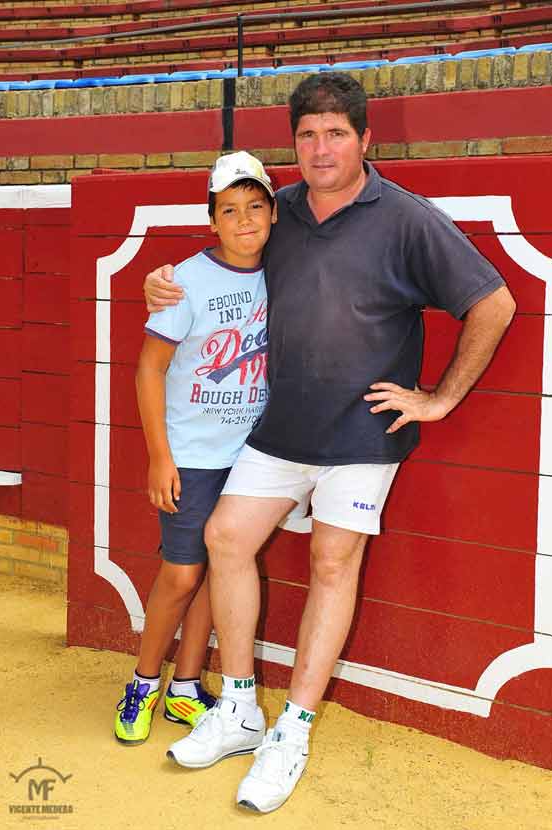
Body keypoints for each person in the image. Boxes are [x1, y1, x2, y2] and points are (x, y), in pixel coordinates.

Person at [144, 73, 516, 810]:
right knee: (225, 539)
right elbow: (222, 257)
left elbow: (494, 303)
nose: (321, 148)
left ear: (365, 140)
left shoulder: (405, 218)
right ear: (294, 145)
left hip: (360, 435)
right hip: (280, 427)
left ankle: (294, 730)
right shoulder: (276, 212)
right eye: (308, 135)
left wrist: (440, 398)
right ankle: (244, 708)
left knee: (332, 562)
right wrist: (166, 283)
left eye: (336, 133)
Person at [114, 151, 277, 746]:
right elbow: (148, 371)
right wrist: (161, 456)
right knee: (181, 575)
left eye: (255, 206)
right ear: (212, 220)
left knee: (222, 568)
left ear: (274, 213)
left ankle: (186, 687)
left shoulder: (281, 270)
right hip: (193, 455)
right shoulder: (184, 281)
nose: (243, 220)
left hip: (254, 454)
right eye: (229, 210)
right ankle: (142, 682)